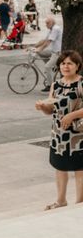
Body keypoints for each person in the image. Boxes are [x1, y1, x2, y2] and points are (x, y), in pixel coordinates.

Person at [35, 50, 83, 210]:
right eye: (63, 63)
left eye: (70, 63)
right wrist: (43, 107)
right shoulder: (56, 85)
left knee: (79, 168)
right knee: (60, 166)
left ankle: (80, 202)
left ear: (77, 66)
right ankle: (61, 200)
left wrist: (72, 115)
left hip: (78, 134)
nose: (66, 66)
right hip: (59, 134)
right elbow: (51, 110)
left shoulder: (81, 83)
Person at [34, 16, 63, 92]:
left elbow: (48, 42)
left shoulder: (55, 29)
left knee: (47, 67)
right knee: (41, 53)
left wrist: (39, 48)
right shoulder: (51, 29)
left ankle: (50, 86)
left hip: (57, 53)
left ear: (52, 23)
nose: (46, 25)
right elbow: (44, 40)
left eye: (47, 23)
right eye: (45, 23)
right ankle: (51, 68)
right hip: (52, 51)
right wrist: (34, 47)